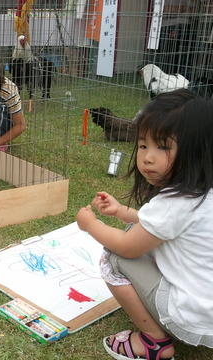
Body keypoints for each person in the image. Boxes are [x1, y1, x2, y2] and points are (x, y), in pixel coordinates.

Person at [76, 88, 213, 359]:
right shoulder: (202, 192)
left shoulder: (175, 201)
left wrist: (90, 224)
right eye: (142, 145)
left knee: (114, 257)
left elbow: (128, 247)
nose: (148, 157)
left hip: (192, 314)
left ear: (194, 150)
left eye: (163, 146)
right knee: (135, 232)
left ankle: (154, 343)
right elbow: (164, 225)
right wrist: (120, 211)